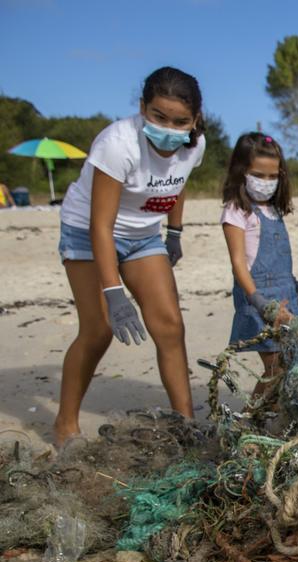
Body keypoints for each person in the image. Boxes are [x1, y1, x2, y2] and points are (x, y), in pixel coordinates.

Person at [55, 66, 207, 447]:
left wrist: (174, 231)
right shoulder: (117, 143)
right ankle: (65, 425)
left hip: (143, 235)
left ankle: (185, 424)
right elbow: (100, 225)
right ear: (142, 108)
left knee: (170, 325)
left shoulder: (194, 144)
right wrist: (113, 292)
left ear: (195, 120)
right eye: (158, 116)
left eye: (180, 121)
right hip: (88, 232)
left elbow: (177, 182)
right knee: (99, 329)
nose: (169, 128)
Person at [220, 132, 298, 399]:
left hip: (287, 299)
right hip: (258, 301)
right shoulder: (236, 211)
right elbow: (238, 263)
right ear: (241, 171)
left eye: (272, 176)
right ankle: (250, 420)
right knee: (276, 367)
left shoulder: (275, 211)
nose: (266, 182)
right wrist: (257, 300)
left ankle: (276, 417)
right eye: (259, 175)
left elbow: (278, 261)